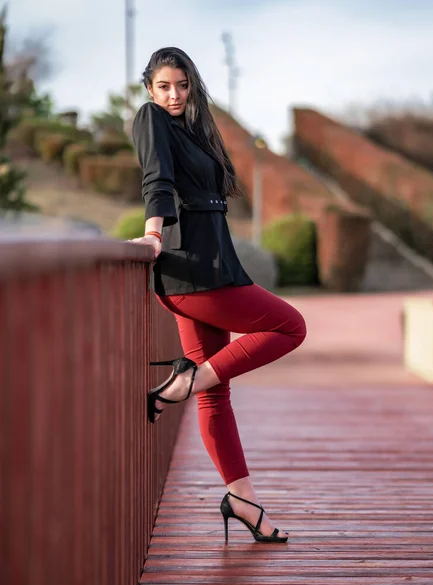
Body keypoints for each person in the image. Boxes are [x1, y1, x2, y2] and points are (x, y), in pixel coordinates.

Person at [128, 47, 307, 544]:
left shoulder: (195, 129)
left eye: (182, 86)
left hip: (214, 262)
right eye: (163, 86)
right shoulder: (150, 119)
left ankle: (242, 501)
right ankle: (186, 381)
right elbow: (156, 181)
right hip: (191, 270)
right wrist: (154, 235)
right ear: (148, 89)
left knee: (216, 393)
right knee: (291, 326)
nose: (173, 95)